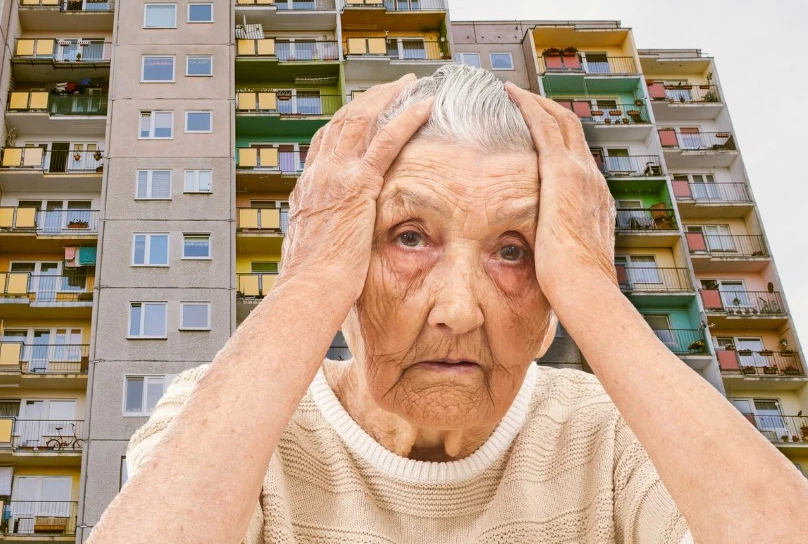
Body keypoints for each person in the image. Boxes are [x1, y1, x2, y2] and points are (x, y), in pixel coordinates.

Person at [88, 64, 808, 543]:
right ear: (346, 263)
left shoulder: (613, 434)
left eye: (514, 249)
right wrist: (306, 281)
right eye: (408, 236)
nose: (458, 311)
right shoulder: (227, 417)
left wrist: (593, 287)